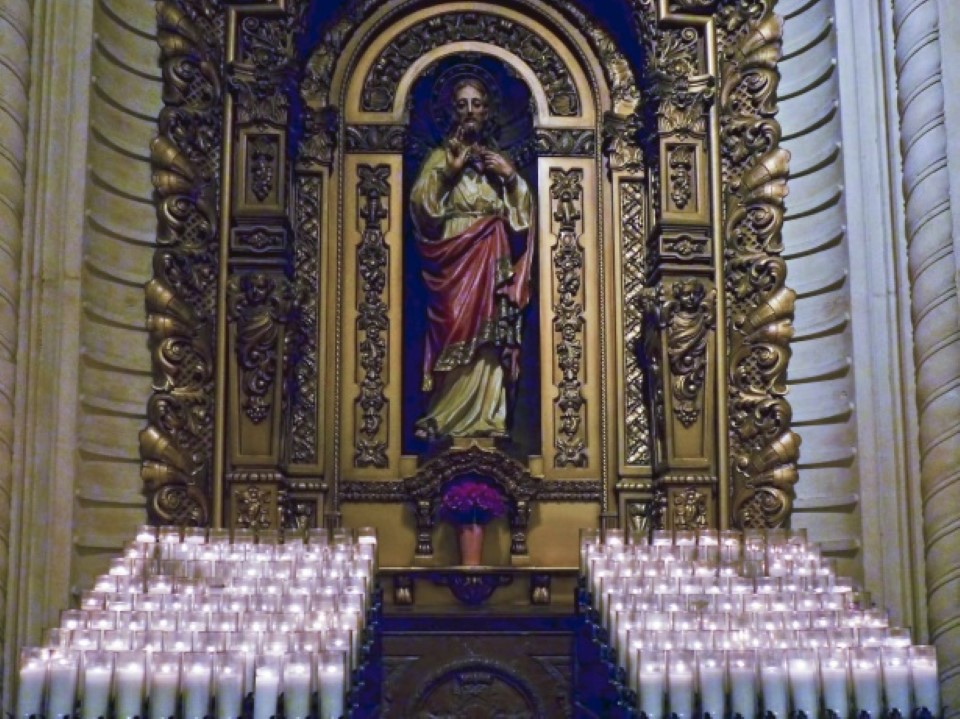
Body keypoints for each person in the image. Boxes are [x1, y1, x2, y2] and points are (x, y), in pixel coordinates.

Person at [410, 77, 534, 440]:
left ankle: (489, 417)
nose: (469, 111)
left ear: (487, 110)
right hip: (453, 255)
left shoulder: (498, 162)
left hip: (491, 254)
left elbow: (524, 220)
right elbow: (421, 209)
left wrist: (511, 178)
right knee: (453, 324)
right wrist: (448, 173)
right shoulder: (439, 159)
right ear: (452, 111)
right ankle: (443, 415)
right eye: (462, 104)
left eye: (476, 104)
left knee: (489, 336)